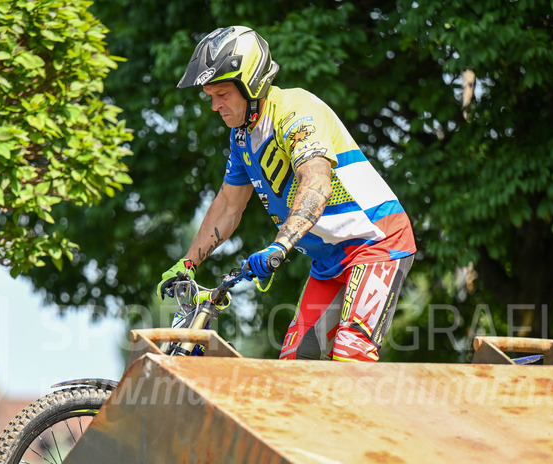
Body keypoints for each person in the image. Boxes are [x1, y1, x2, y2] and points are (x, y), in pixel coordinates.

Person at [161, 26, 417, 362]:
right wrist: (188, 262)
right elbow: (228, 205)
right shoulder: (241, 139)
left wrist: (279, 246)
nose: (214, 106)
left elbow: (316, 183)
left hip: (378, 242)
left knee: (351, 352)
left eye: (221, 94)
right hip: (329, 260)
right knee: (295, 364)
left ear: (250, 84)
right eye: (210, 96)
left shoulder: (294, 112)